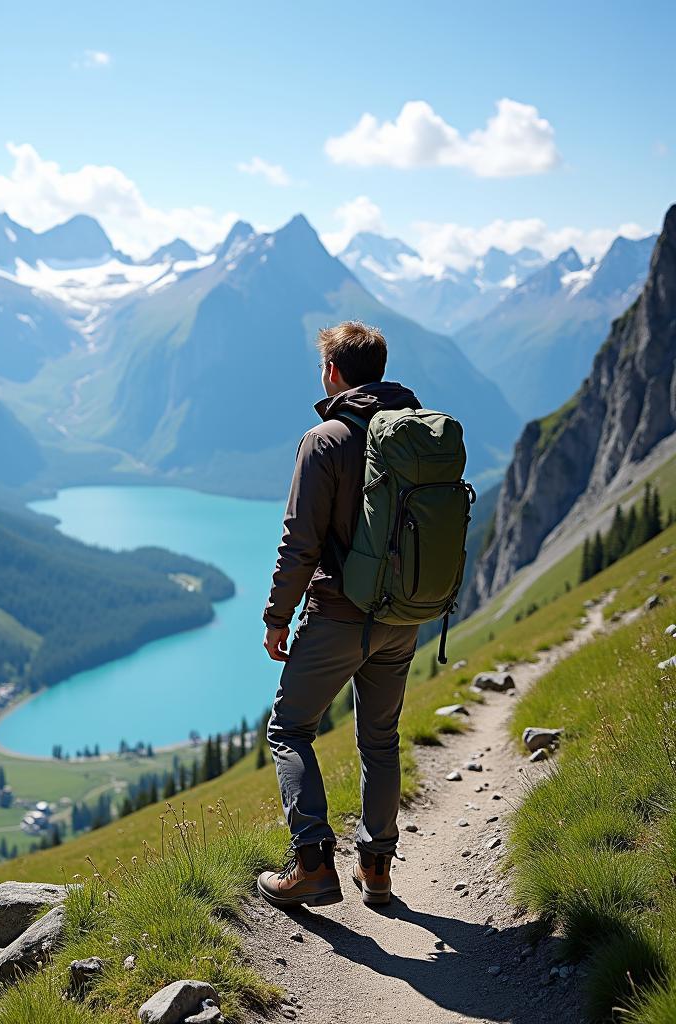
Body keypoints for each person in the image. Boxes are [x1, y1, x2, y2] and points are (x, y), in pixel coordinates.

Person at [256, 320, 421, 909]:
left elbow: (299, 540)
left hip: (338, 615)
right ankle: (376, 869)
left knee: (290, 728)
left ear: (332, 371)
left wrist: (279, 615)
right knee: (380, 739)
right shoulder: (414, 435)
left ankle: (311, 863)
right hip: (402, 617)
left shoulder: (325, 440)